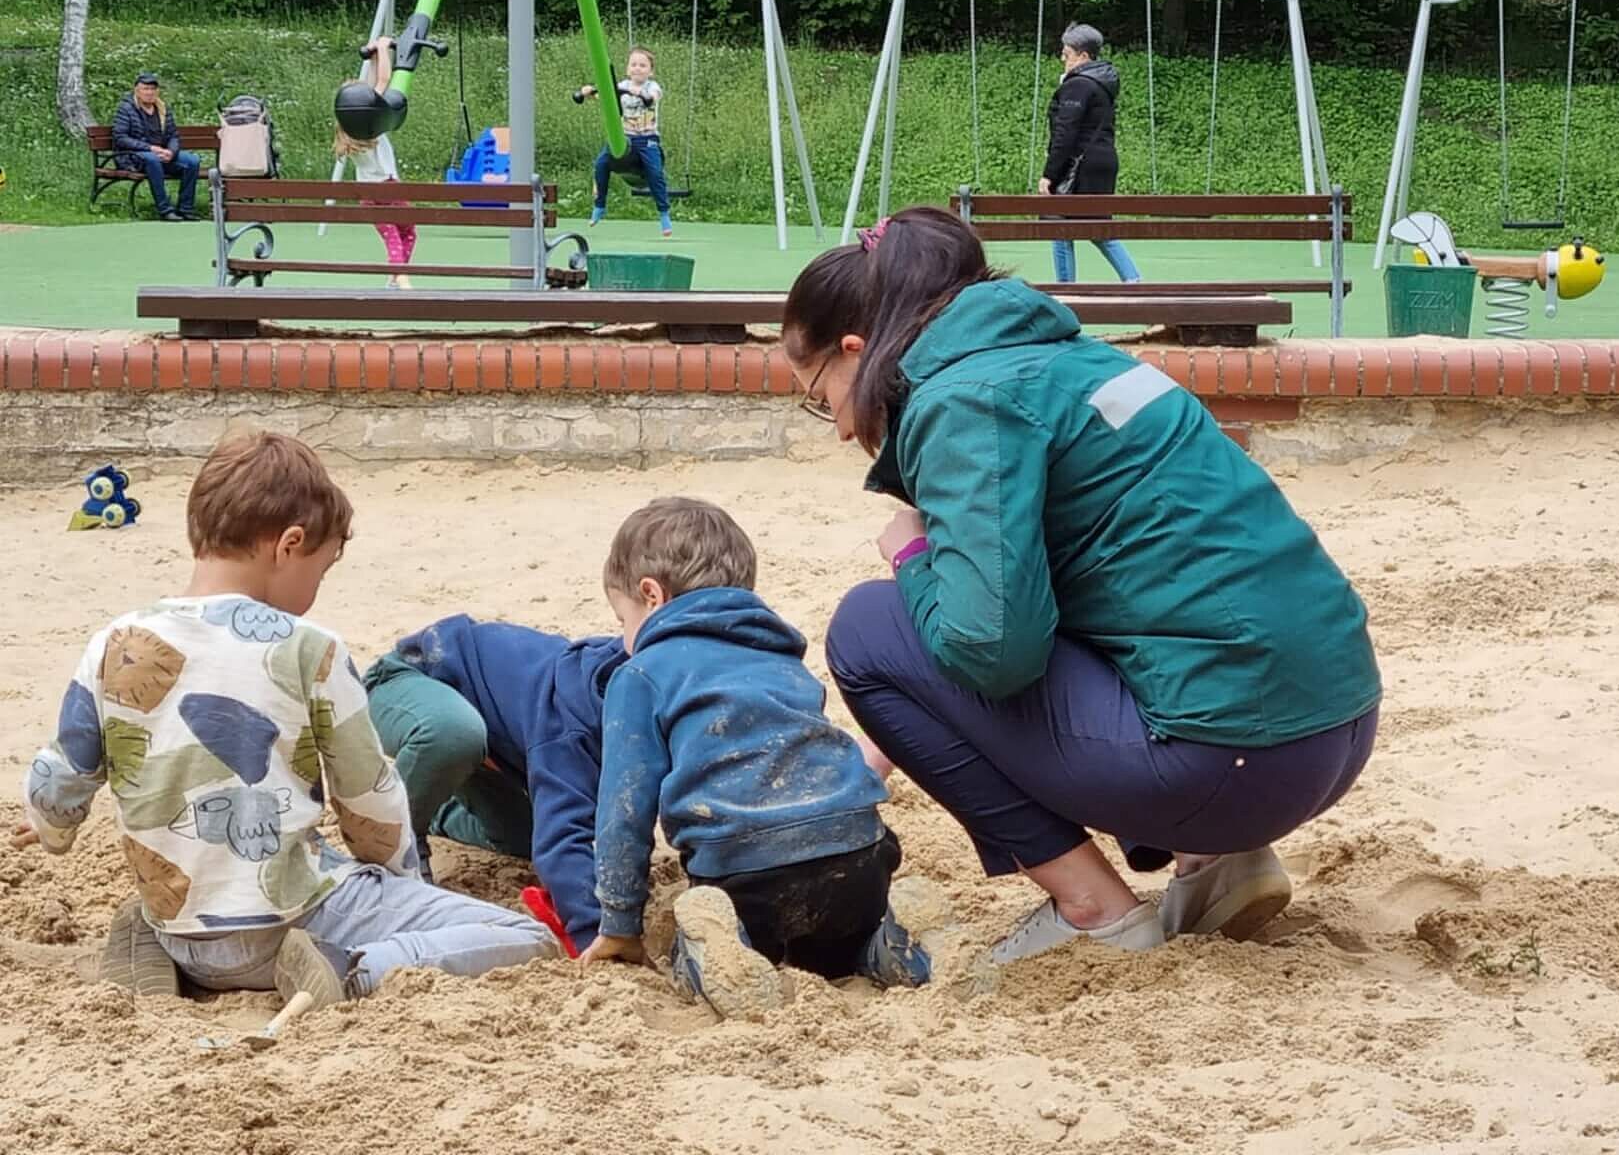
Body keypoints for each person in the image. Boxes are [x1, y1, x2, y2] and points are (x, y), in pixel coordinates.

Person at [781, 207, 1381, 965]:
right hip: (1334, 729)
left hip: (1229, 766)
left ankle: (1092, 908)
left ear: (856, 350)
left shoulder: (962, 401)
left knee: (868, 627)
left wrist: (912, 560)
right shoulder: (1078, 360)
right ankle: (1219, 865)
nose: (836, 426)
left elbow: (991, 649)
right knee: (1084, 593)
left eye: (818, 393)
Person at [11, 431, 559, 1008]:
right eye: (320, 571)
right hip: (290, 921)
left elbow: (61, 776)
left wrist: (51, 829)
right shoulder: (309, 649)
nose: (316, 590)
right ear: (290, 545)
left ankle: (151, 944)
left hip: (182, 923)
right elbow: (369, 802)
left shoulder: (113, 643)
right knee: (521, 934)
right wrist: (401, 884)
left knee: (172, 891)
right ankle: (350, 969)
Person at [586, 497, 934, 1016]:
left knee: (700, 938)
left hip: (744, 874)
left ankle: (721, 958)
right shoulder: (780, 655)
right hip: (859, 859)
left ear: (651, 595)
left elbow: (622, 812)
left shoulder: (641, 673)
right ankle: (891, 949)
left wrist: (619, 925)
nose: (623, 635)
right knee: (843, 950)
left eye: (623, 618)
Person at [357, 612, 630, 952]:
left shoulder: (652, 677)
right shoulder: (571, 727)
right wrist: (596, 933)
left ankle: (441, 805)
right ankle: (399, 833)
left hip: (492, 745)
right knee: (454, 734)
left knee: (527, 837)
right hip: (409, 682)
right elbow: (562, 843)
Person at [1039, 24, 1139, 285]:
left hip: (1081, 165)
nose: (1063, 58)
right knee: (1099, 227)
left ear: (1083, 56)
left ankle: (1066, 290)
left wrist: (1049, 174)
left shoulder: (1078, 85)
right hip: (1102, 161)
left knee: (1059, 226)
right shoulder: (1102, 83)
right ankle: (1134, 281)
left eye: (1067, 53)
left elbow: (1065, 133)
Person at [333, 37, 416, 287]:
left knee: (392, 236)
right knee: (407, 232)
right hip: (389, 187)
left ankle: (396, 275)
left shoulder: (347, 130)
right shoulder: (372, 127)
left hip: (367, 192)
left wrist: (372, 59)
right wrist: (382, 47)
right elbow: (382, 82)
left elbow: (371, 89)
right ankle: (400, 277)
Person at [579, 47, 672, 235]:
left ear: (650, 71)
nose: (638, 68)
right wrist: (589, 92)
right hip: (624, 136)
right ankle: (599, 205)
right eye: (634, 65)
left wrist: (636, 92)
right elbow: (606, 97)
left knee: (655, 172)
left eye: (643, 65)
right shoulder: (621, 85)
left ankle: (663, 214)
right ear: (628, 69)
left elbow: (651, 99)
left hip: (647, 139)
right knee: (601, 163)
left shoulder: (653, 87)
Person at [112, 72, 200, 221]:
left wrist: (171, 152)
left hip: (162, 155)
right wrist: (150, 148)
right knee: (152, 159)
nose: (149, 92)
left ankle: (186, 209)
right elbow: (121, 138)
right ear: (137, 91)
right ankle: (165, 210)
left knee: (192, 161)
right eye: (145, 89)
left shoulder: (163, 109)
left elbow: (173, 135)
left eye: (153, 89)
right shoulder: (126, 109)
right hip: (134, 157)